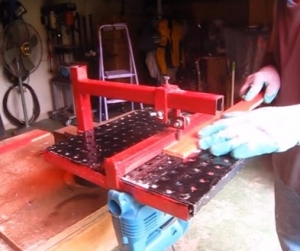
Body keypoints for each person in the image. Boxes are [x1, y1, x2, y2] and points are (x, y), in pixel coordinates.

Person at [198, 1, 300, 250]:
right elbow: (283, 51)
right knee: (291, 240)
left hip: (286, 131)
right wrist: (271, 68)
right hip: (288, 158)